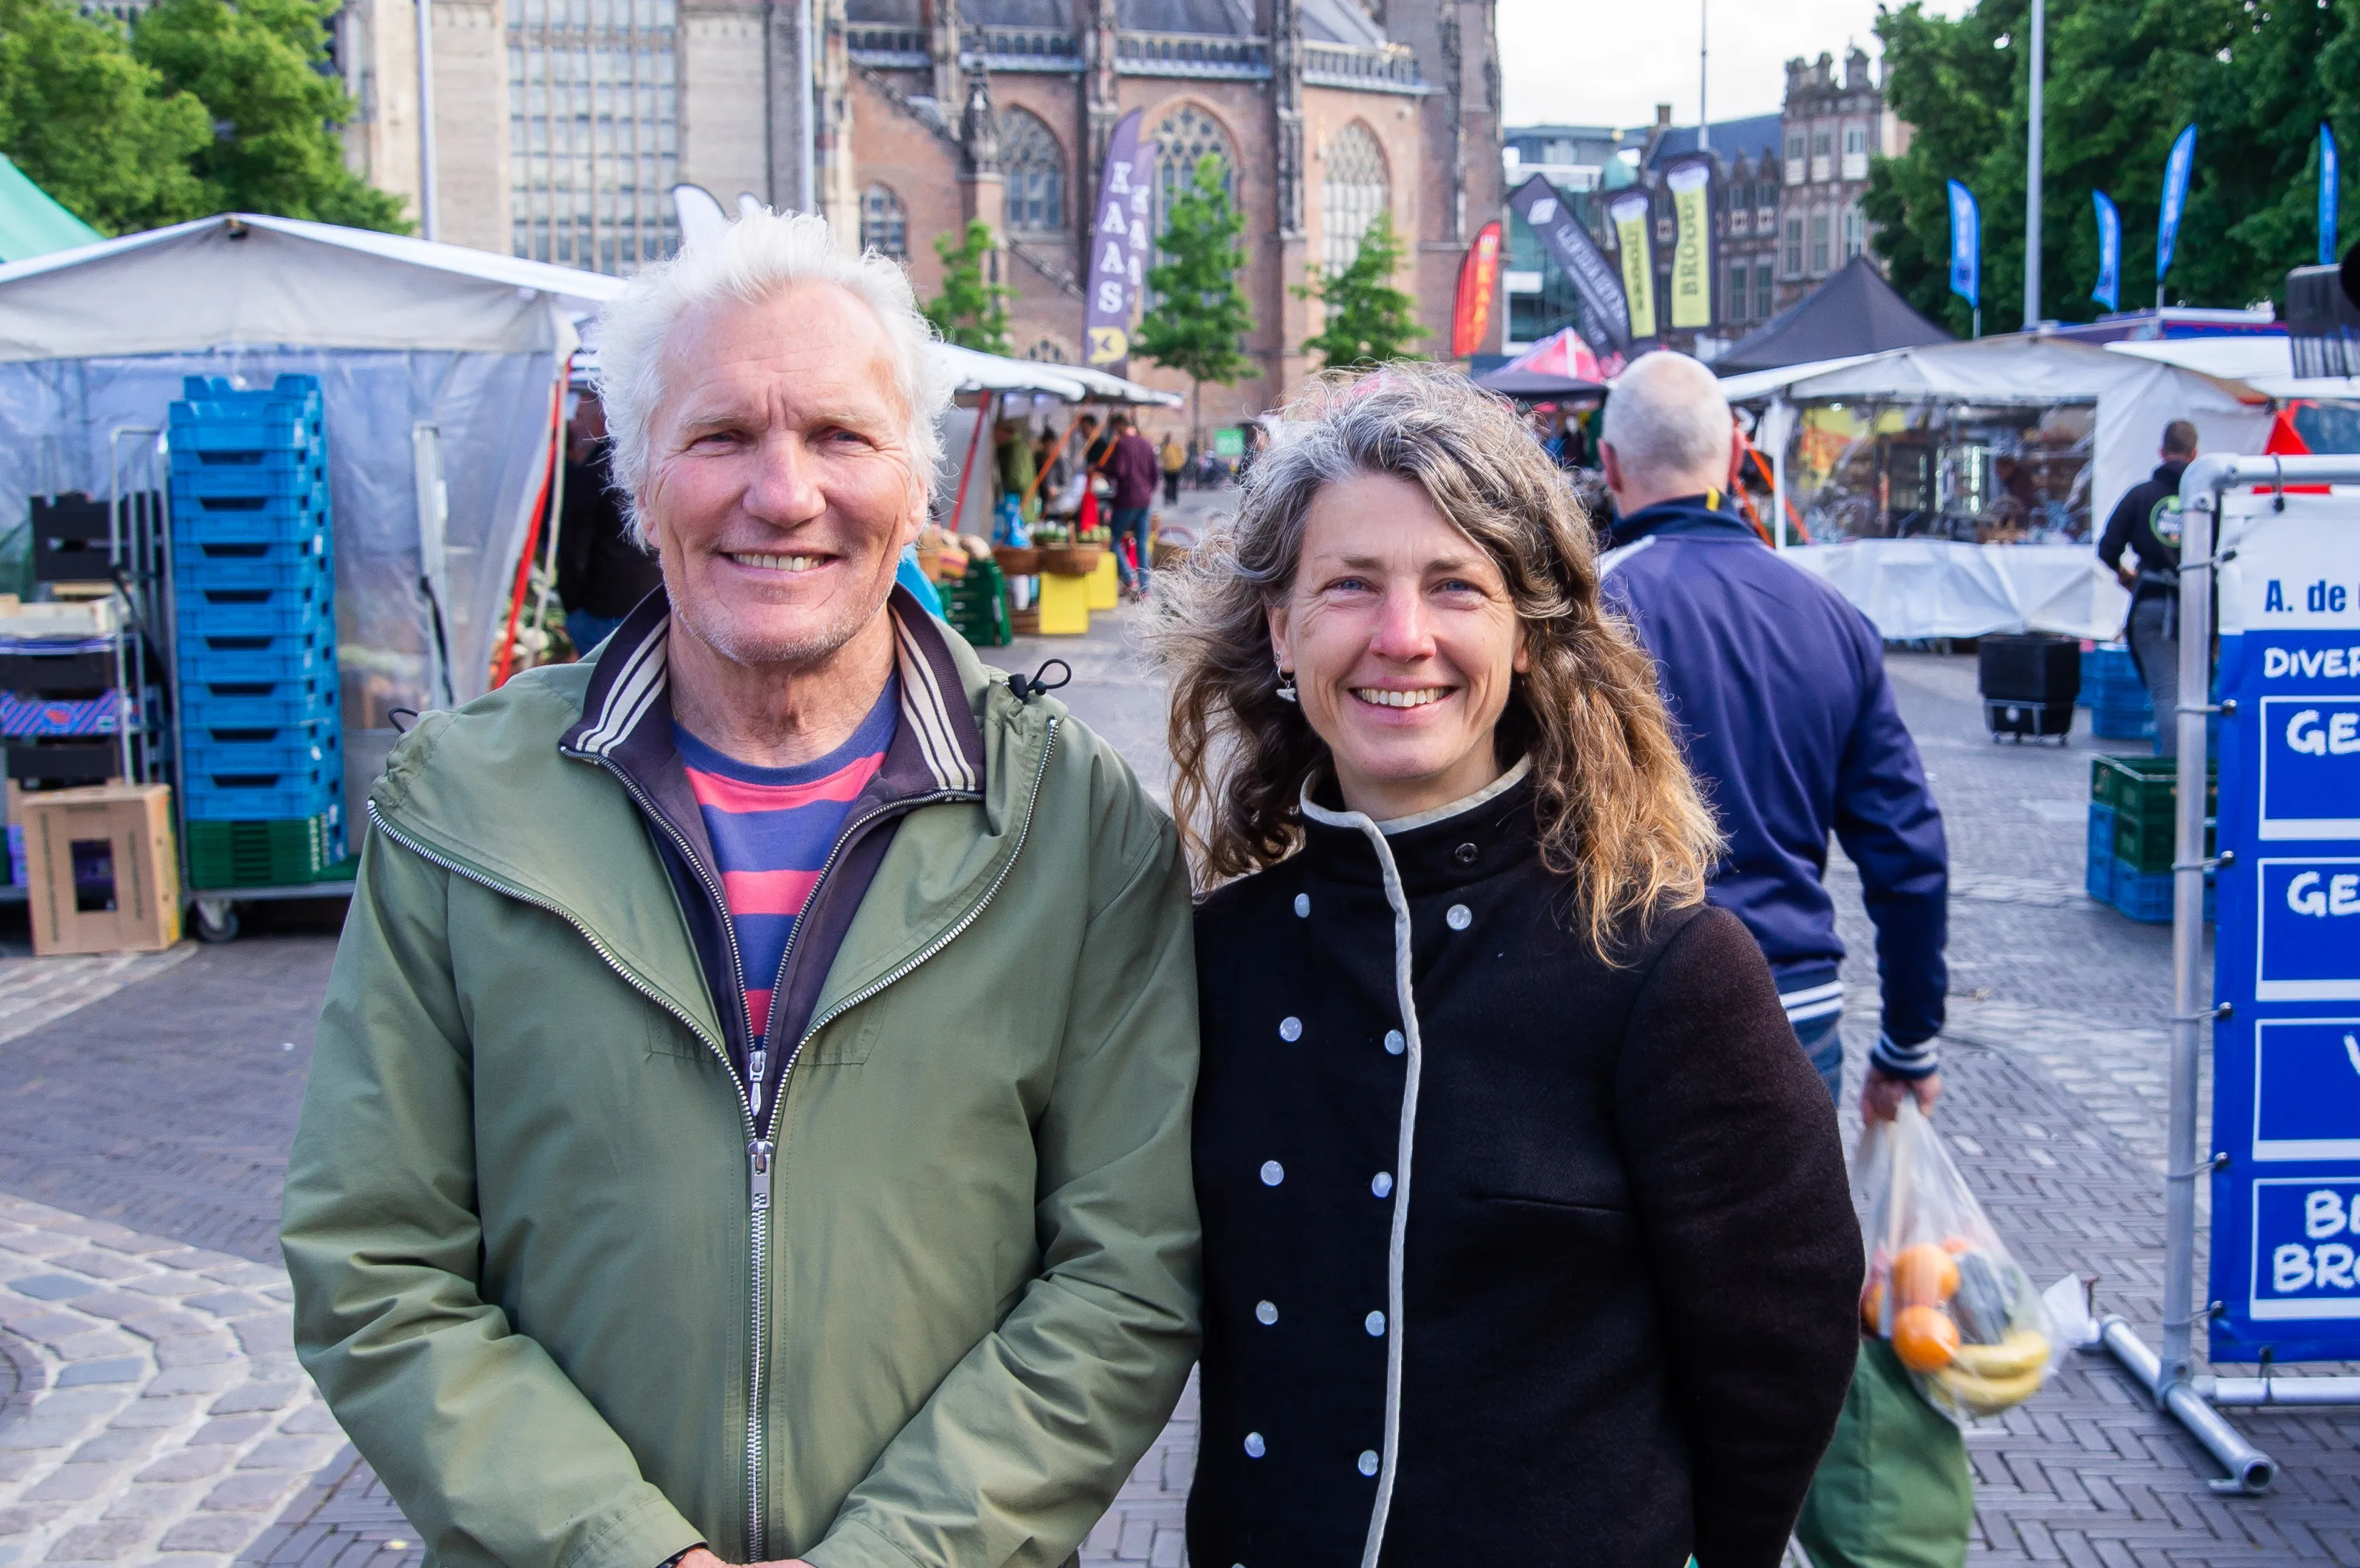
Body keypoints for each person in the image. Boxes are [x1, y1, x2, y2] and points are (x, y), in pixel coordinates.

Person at [282, 210, 1202, 1568]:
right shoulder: (464, 804)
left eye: (838, 436)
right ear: (640, 478)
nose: (782, 493)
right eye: (720, 437)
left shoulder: (1070, 825)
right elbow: (375, 1258)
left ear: (915, 480)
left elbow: (1125, 1271)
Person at [1157, 363, 1862, 1568]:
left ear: (1529, 639)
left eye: (1454, 587)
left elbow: (1780, 1338)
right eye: (1349, 586)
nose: (1401, 637)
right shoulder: (1222, 955)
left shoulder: (1661, 967)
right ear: (1280, 629)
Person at [1595, 350, 1962, 1568]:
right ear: (1736, 462)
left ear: (1607, 469)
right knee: (1789, 1295)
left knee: (1631, 1308)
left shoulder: (1585, 615)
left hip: (1615, 1003)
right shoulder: (1827, 618)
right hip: (1791, 1011)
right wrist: (1906, 1046)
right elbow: (1906, 854)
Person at [2096, 419, 2199, 756]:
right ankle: (2196, 773)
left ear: (2161, 452)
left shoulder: (2142, 496)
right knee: (2195, 697)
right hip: (2199, 608)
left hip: (2154, 605)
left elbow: (2108, 548)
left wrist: (2127, 576)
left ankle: (2176, 779)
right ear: (2195, 455)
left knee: (2167, 695)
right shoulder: (2207, 501)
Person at [554, 390, 665, 654]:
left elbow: (574, 544)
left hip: (605, 607)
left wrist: (573, 605)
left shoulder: (595, 470)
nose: (573, 424)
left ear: (601, 422)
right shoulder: (650, 463)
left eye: (580, 416)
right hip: (650, 602)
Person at [1102, 411, 1160, 600]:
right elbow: (1155, 474)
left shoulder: (1123, 444)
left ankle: (1129, 578)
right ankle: (1145, 589)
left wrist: (1100, 469)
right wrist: (1147, 490)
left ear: (1119, 425)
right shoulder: (1145, 443)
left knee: (1113, 539)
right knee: (1142, 543)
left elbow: (1119, 470)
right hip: (1145, 500)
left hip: (1128, 500)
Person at [1160, 429, 1185, 505]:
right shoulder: (1164, 447)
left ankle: (1174, 499)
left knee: (1174, 485)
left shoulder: (1176, 446)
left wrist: (1180, 464)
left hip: (1175, 468)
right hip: (1167, 469)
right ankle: (1167, 499)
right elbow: (1162, 457)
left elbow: (1181, 455)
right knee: (1168, 485)